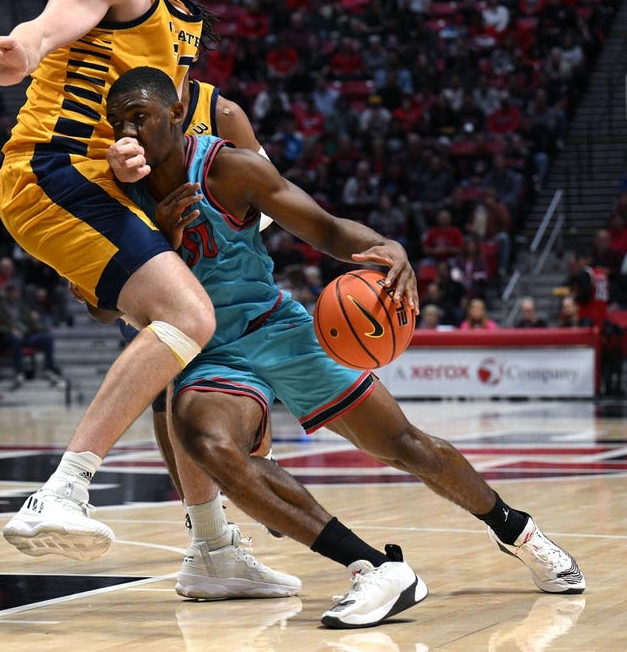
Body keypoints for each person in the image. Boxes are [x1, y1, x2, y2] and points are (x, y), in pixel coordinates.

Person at [105, 66, 584, 627]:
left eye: (139, 116)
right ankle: (373, 568)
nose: (128, 132)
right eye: (118, 122)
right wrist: (157, 241)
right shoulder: (117, 197)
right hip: (206, 352)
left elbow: (327, 231)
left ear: (177, 113)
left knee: (406, 445)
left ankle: (517, 530)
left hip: (273, 327)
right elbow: (96, 300)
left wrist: (387, 245)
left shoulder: (230, 169)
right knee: (211, 446)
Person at [0, 0, 280, 594]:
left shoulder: (180, 23)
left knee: (188, 358)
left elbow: (142, 129)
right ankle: (62, 491)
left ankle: (213, 553)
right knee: (187, 314)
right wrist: (20, 53)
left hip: (107, 190)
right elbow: (47, 29)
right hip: (51, 172)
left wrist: (139, 161)